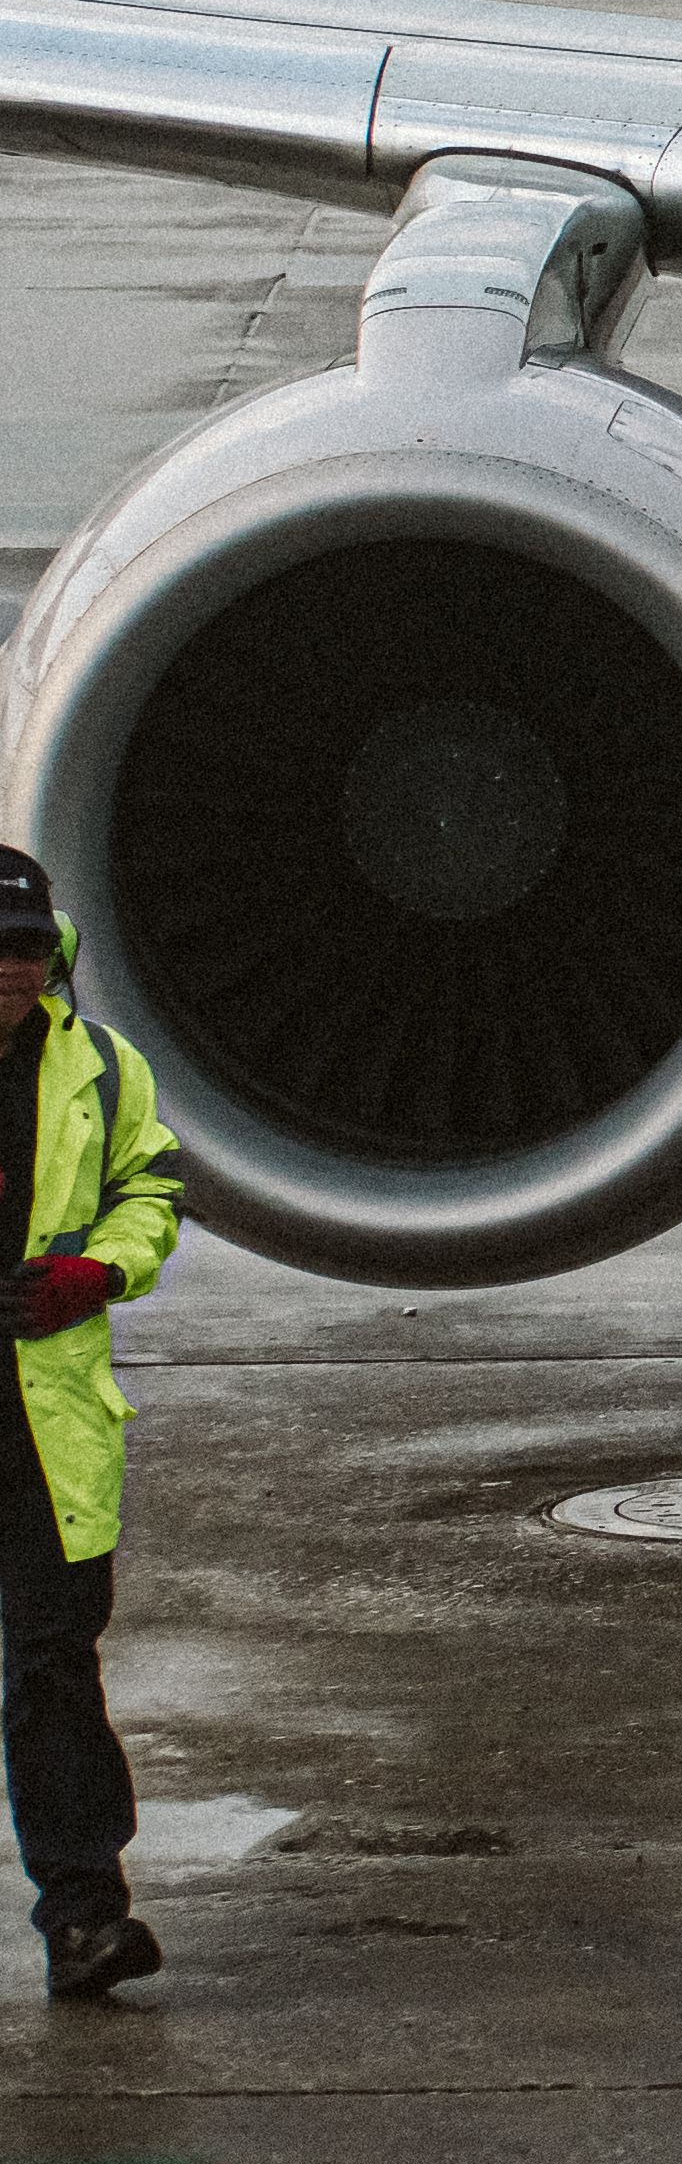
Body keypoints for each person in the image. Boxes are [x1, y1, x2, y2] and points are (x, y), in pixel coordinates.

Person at [6, 847, 183, 2002]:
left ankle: (84, 1918)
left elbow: (153, 1191)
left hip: (41, 1413)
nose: (8, 975)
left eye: (24, 951)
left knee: (52, 1668)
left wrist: (100, 1272)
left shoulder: (105, 1070)